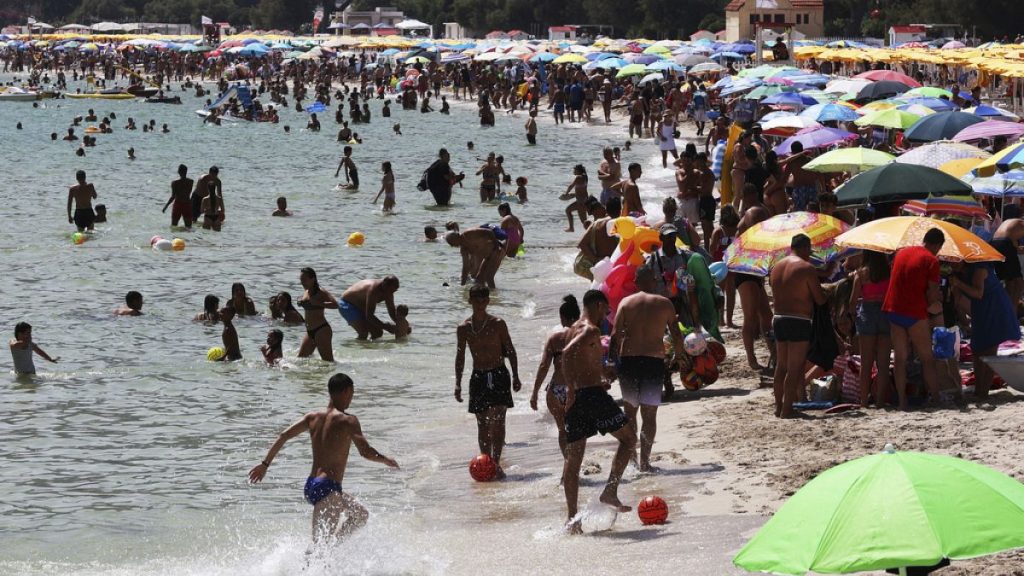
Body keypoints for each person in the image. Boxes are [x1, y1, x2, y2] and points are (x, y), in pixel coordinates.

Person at [247, 373, 399, 544]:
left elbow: (284, 435)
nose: (352, 398)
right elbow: (365, 451)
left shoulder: (312, 417)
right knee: (319, 548)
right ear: (347, 391)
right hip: (328, 488)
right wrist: (385, 460)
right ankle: (314, 563)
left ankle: (334, 547)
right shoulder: (348, 420)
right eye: (352, 393)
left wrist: (264, 465)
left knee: (360, 514)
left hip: (312, 485)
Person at [561, 290, 636, 534]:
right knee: (628, 439)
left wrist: (603, 373)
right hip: (591, 396)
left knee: (574, 459)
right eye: (606, 310)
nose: (607, 315)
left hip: (584, 395)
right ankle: (610, 490)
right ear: (597, 304)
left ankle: (573, 520)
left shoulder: (572, 328)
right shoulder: (590, 329)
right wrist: (571, 388)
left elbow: (579, 358)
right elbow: (566, 353)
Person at [610, 267, 684, 471]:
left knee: (630, 414)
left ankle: (631, 458)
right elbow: (677, 335)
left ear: (635, 281)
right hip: (653, 361)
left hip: (629, 362)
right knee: (649, 416)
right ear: (653, 280)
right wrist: (678, 357)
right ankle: (645, 462)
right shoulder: (664, 303)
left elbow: (615, 337)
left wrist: (611, 364)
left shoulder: (626, 303)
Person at [454, 285, 523, 480]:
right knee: (482, 423)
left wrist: (516, 375)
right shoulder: (464, 328)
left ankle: (496, 462)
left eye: (483, 299)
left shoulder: (498, 324)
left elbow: (509, 349)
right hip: (479, 376)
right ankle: (486, 460)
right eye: (475, 299)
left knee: (498, 420)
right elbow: (460, 357)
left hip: (499, 373)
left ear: (487, 301)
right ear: (470, 301)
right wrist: (458, 383)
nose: (479, 303)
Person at [882, 228, 945, 410]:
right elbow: (932, 294)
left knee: (900, 359)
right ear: (937, 245)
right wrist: (937, 300)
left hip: (893, 308)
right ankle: (936, 399)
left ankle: (902, 401)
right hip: (914, 311)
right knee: (927, 358)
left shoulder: (901, 253)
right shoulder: (931, 260)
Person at [769, 234, 827, 418]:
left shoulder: (776, 267)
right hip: (799, 320)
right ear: (804, 248)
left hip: (778, 318)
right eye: (809, 251)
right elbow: (819, 299)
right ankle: (787, 410)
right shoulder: (806, 268)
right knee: (795, 368)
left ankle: (778, 407)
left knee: (781, 366)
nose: (809, 255)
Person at [950, 258, 1021, 401]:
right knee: (976, 349)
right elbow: (958, 301)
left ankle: (983, 392)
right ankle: (978, 390)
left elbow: (978, 293)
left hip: (995, 307)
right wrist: (964, 321)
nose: (953, 263)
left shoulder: (979, 268)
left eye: (956, 261)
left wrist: (958, 284)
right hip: (980, 310)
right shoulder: (957, 274)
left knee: (989, 350)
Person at [530, 295, 581, 463]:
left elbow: (544, 366)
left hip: (556, 390)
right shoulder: (584, 335)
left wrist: (535, 392)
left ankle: (568, 465)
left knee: (562, 430)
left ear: (562, 317)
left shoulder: (554, 338)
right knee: (577, 430)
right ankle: (574, 466)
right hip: (576, 389)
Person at [849, 250, 892, 407]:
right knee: (883, 362)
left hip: (867, 313)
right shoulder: (889, 271)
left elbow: (852, 302)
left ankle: (864, 401)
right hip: (885, 313)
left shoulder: (861, 273)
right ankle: (880, 401)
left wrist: (853, 316)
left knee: (866, 362)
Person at [297, 267, 338, 362]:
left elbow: (336, 305)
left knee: (328, 362)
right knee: (300, 360)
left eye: (304, 280)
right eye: (301, 280)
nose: (302, 282)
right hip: (309, 331)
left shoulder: (321, 291)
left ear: (313, 279)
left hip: (321, 330)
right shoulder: (306, 292)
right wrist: (301, 302)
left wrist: (319, 303)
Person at [989, 214, 1024, 316]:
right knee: (1018, 283)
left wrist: (1018, 249)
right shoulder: (1021, 224)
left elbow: (1013, 247)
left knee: (1010, 281)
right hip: (1004, 243)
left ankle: (1004, 312)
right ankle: (1012, 315)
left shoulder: (1012, 222)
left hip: (994, 243)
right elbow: (1008, 245)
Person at [162, 164, 194, 229]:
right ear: (186, 171)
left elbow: (173, 196)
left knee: (174, 226)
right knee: (189, 227)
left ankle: (175, 238)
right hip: (187, 204)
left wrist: (166, 206)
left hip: (178, 205)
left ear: (178, 172)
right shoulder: (191, 182)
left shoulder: (175, 183)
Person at [563, 164, 589, 232]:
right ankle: (592, 233)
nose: (573, 171)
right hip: (585, 200)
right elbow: (582, 190)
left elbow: (570, 186)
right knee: (584, 221)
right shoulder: (585, 177)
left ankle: (571, 228)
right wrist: (574, 195)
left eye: (575, 170)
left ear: (578, 170)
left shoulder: (578, 177)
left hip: (580, 202)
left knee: (568, 210)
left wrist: (566, 194)